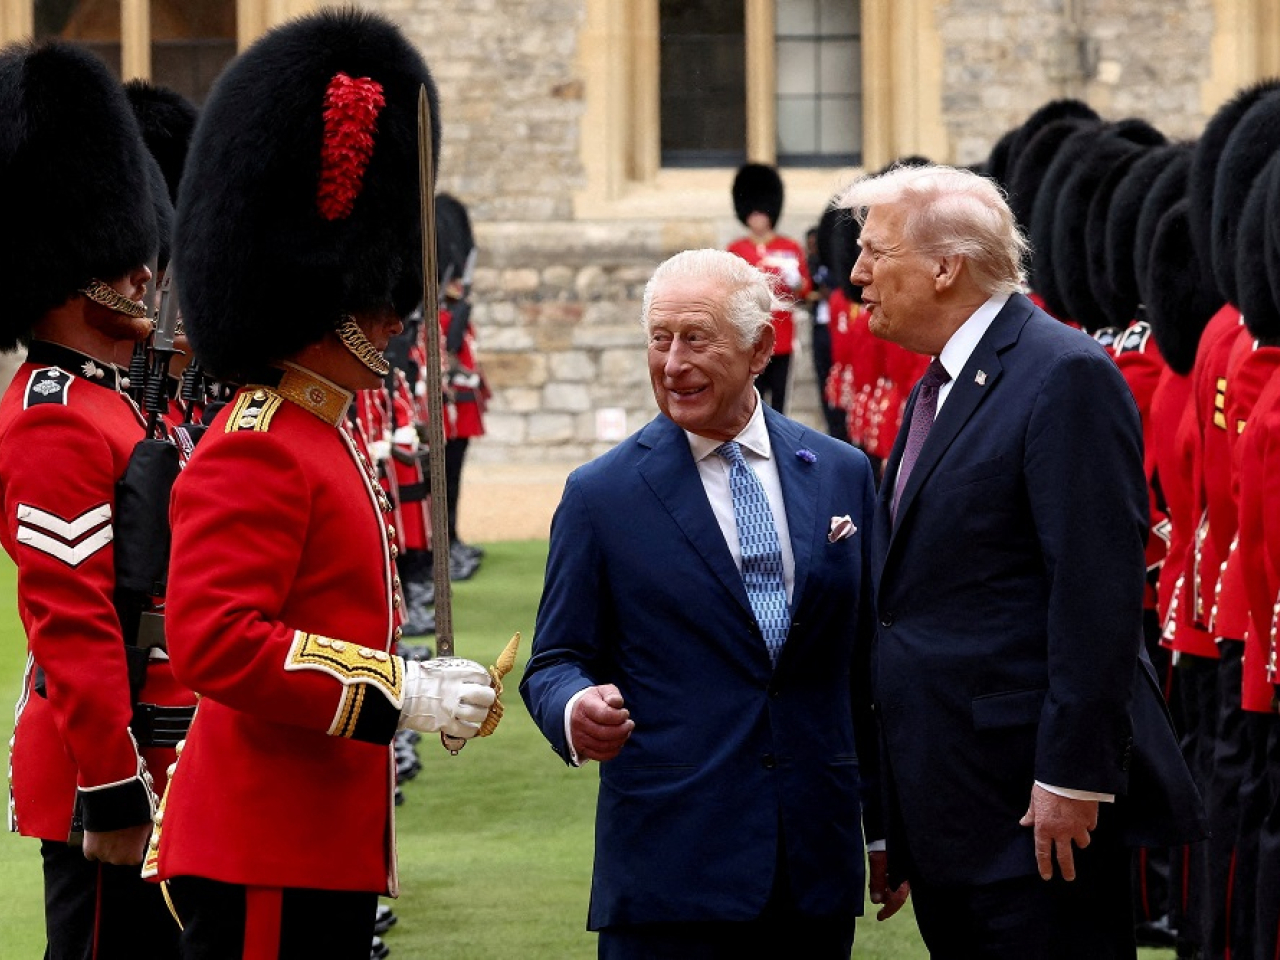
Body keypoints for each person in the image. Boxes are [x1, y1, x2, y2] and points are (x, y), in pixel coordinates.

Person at [147, 11, 501, 957]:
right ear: (328, 300)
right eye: (378, 303)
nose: (393, 322)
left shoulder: (324, 434)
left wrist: (414, 681)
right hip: (264, 846)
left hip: (319, 843)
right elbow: (216, 642)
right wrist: (402, 690)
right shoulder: (260, 442)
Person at [842, 163, 1205, 959]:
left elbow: (1096, 593)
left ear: (945, 267)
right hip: (951, 801)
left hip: (1028, 804)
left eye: (875, 252)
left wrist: (1074, 775)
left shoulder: (1062, 373)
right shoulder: (938, 386)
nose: (857, 274)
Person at [521, 248, 899, 958]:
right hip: (670, 867)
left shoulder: (843, 474)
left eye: (696, 339)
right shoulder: (601, 496)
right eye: (659, 340)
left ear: (761, 348)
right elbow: (555, 661)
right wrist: (575, 709)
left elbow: (867, 669)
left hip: (811, 871)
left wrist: (882, 825)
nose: (672, 363)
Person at [0, 40, 194, 958]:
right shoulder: (54, 416)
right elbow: (71, 616)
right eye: (123, 260)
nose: (143, 275)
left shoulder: (114, 403)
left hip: (170, 754)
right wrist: (114, 791)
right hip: (108, 776)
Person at [726, 163, 811, 413]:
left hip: (783, 333)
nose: (757, 219)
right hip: (749, 334)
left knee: (781, 401)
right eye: (753, 214)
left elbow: (804, 290)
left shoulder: (789, 246)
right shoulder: (736, 249)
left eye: (762, 213)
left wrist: (795, 280)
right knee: (752, 398)